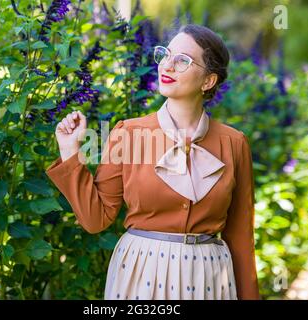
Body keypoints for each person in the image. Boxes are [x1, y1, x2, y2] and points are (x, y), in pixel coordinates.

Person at [46, 24, 260, 300]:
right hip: (141, 273)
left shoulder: (234, 143)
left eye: (183, 60)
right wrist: (69, 150)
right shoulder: (128, 133)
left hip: (209, 279)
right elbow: (95, 218)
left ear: (208, 81)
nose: (167, 66)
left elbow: (241, 238)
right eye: (165, 55)